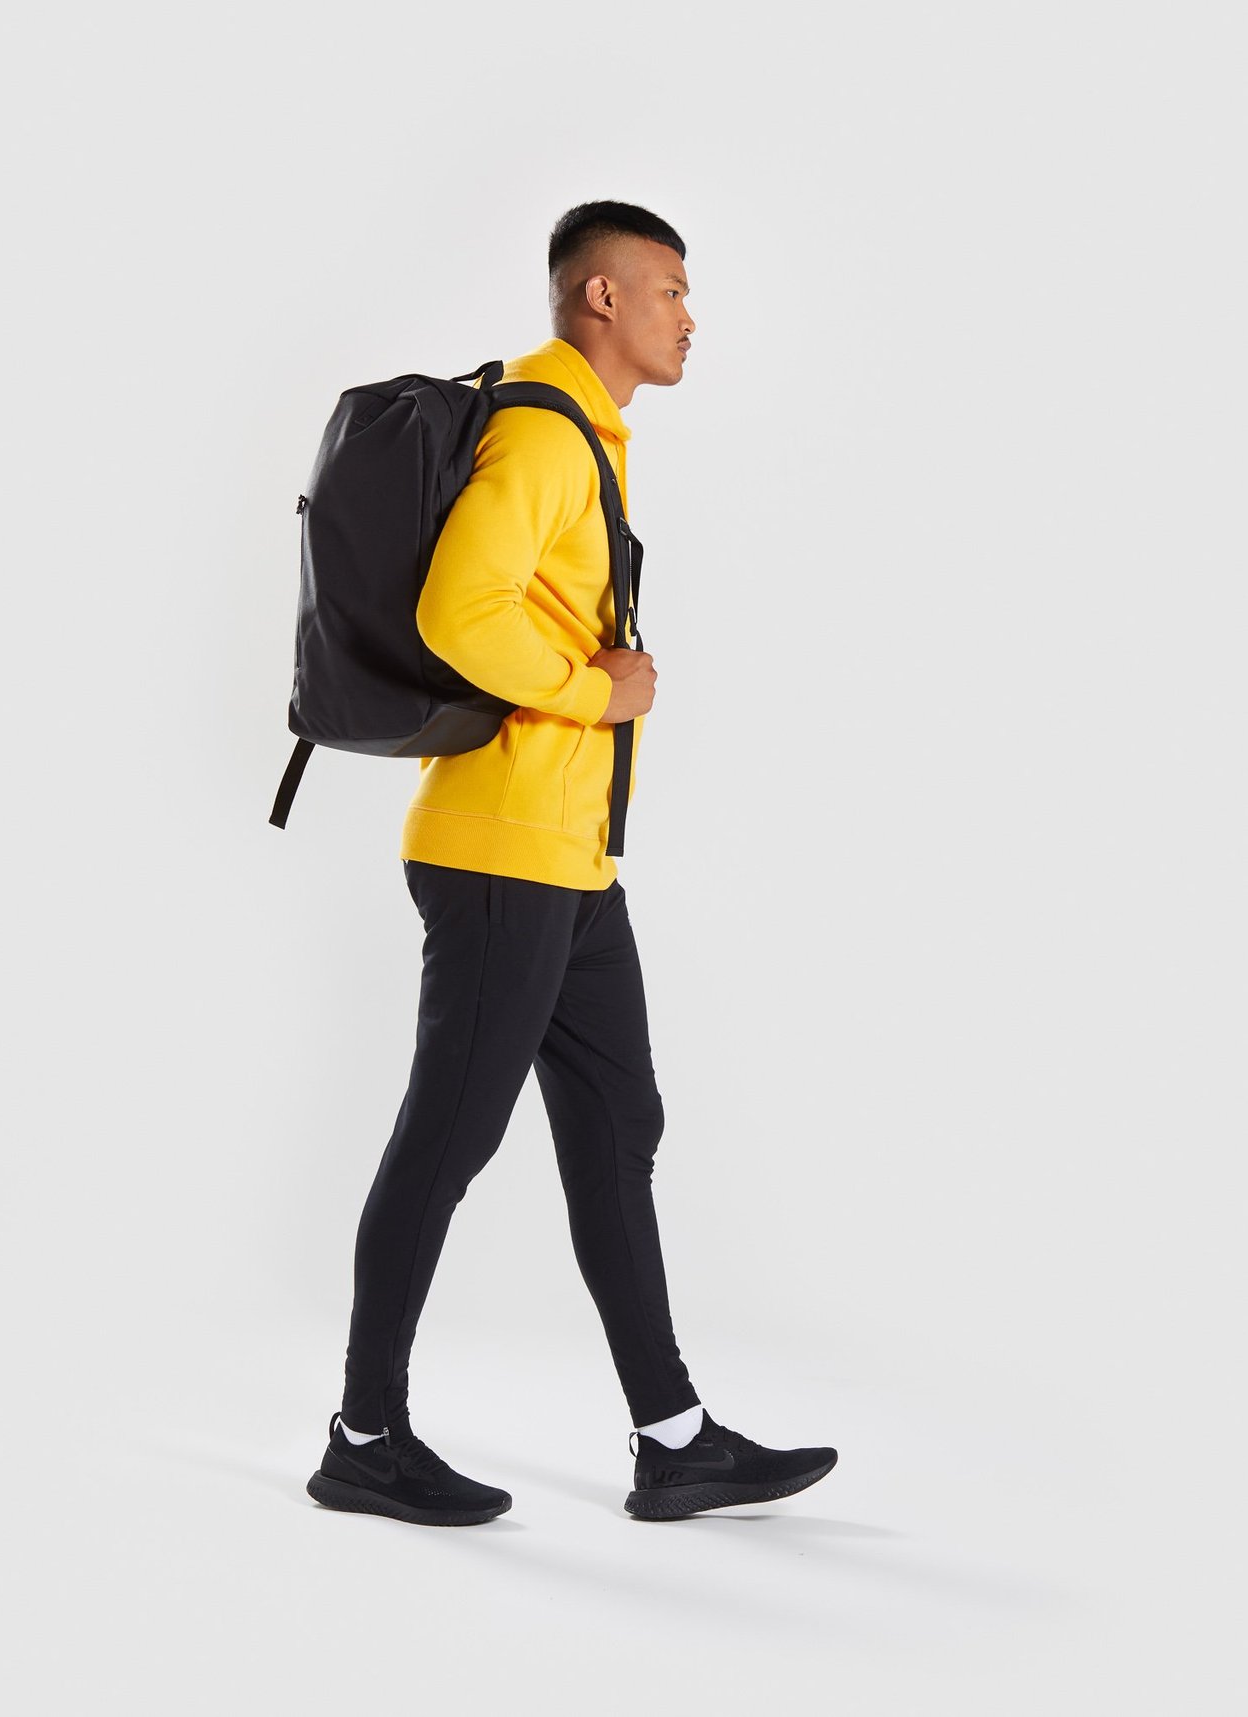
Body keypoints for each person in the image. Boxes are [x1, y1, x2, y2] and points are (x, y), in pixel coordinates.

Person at [306, 200, 837, 1526]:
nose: (689, 316)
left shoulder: (583, 434)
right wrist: (592, 691)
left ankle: (676, 1439)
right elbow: (458, 610)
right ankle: (364, 1435)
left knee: (616, 1129)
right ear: (601, 296)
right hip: (504, 852)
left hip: (570, 860)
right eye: (671, 290)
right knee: (449, 1136)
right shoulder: (546, 435)